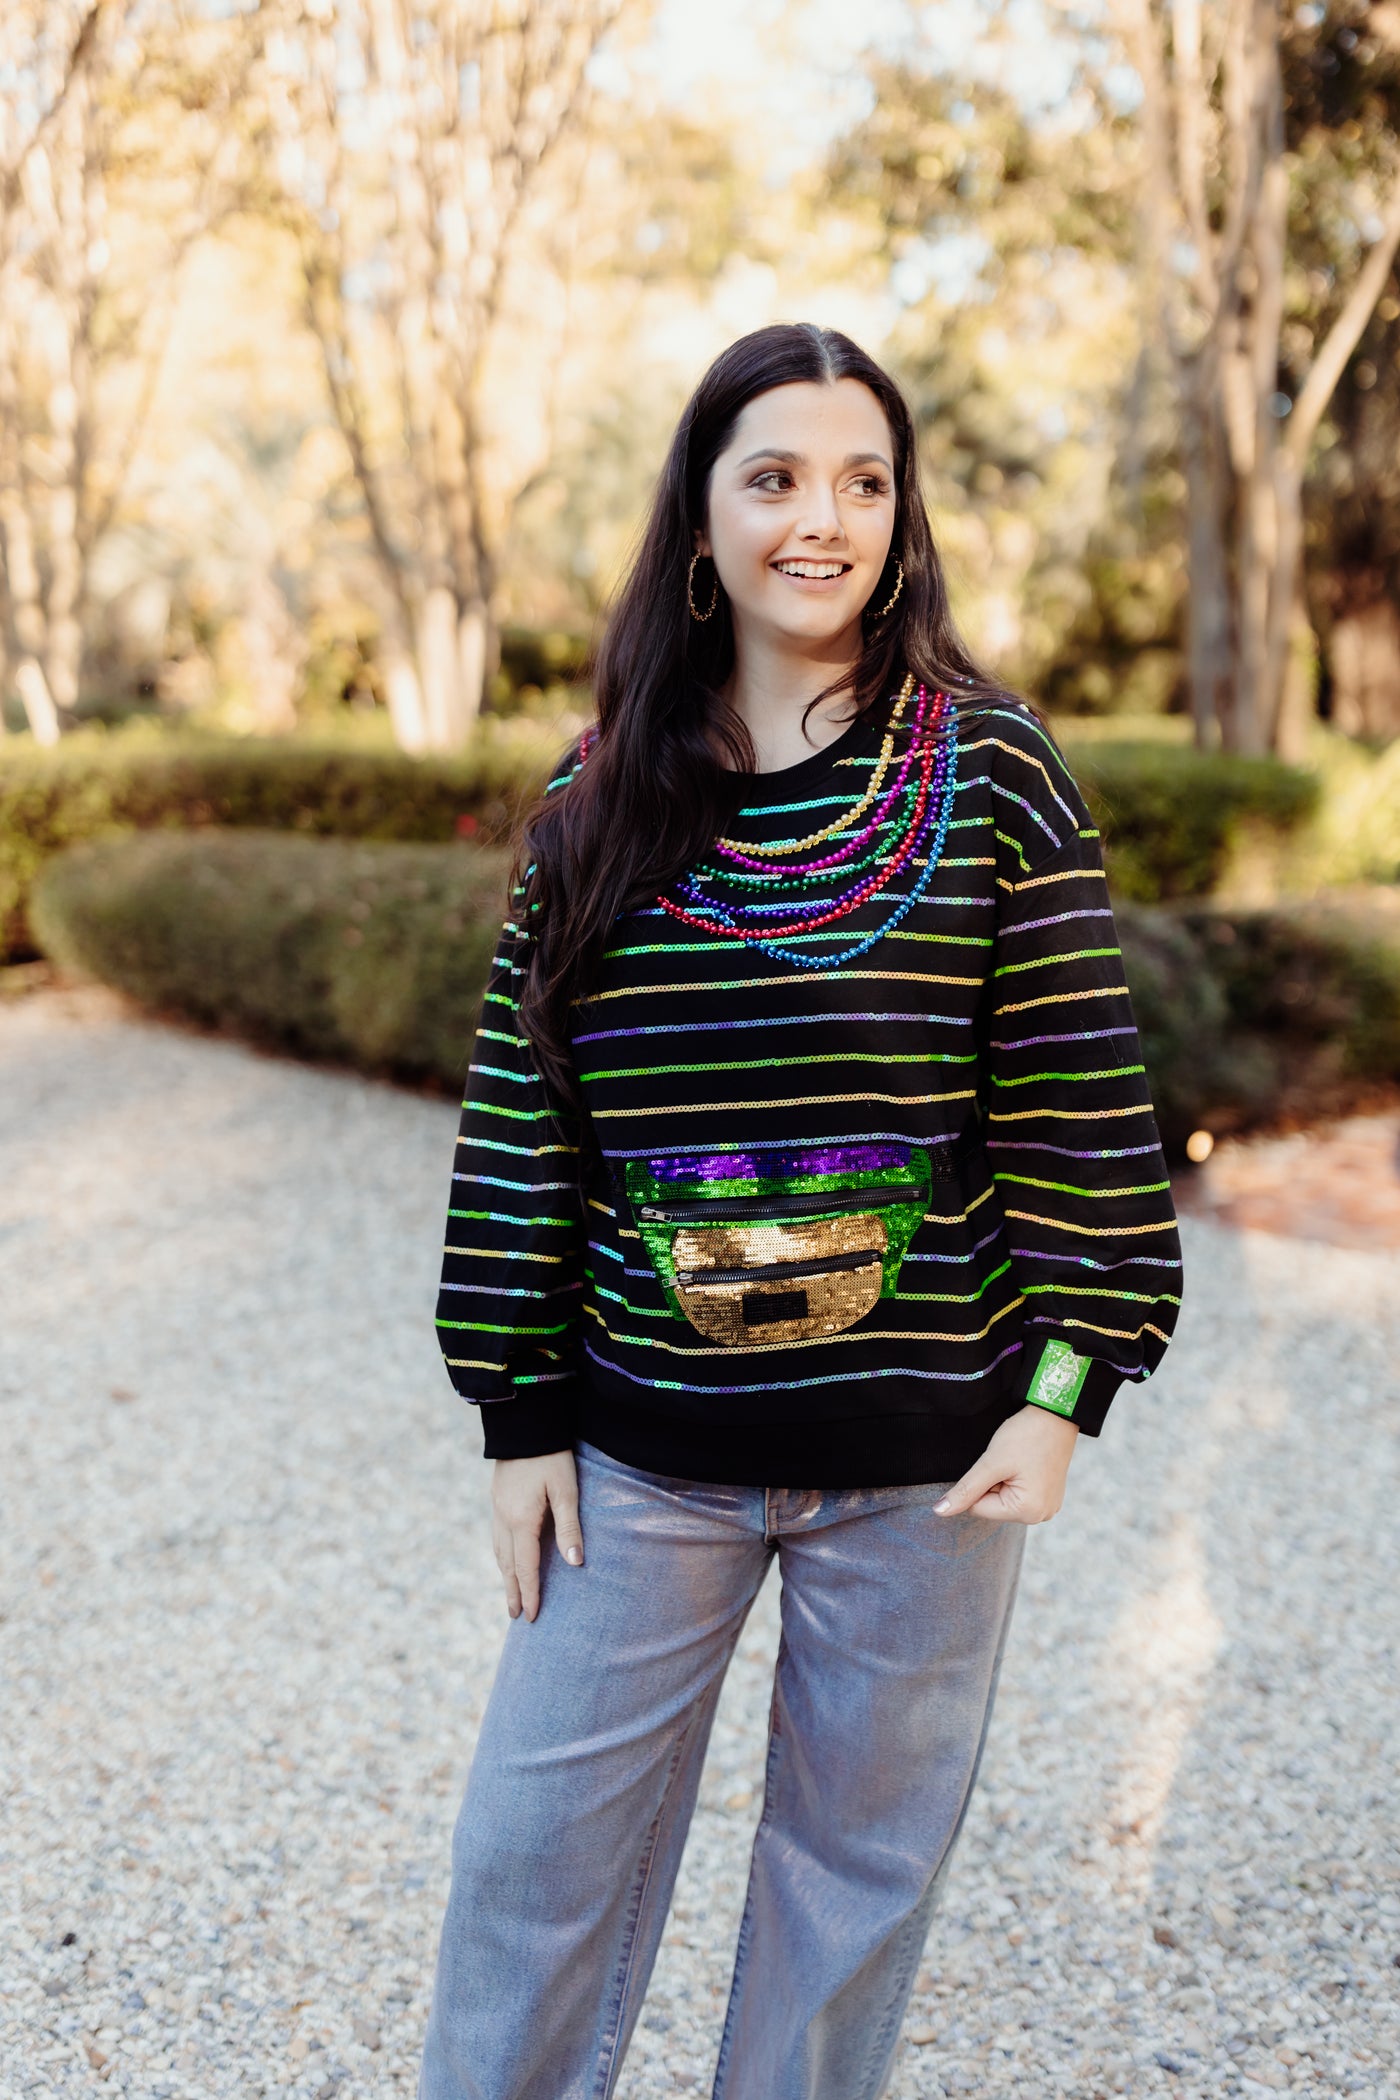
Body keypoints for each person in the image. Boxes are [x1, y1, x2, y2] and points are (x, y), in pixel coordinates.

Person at [417, 322, 1182, 2100]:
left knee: (850, 1890)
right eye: (772, 478)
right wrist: (517, 1414)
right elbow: (530, 1113)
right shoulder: (595, 799)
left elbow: (1078, 1095)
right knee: (527, 1870)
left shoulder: (994, 772)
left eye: (862, 479)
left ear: (903, 517)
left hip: (929, 1475)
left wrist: (1067, 1394)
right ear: (700, 519)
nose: (819, 518)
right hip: (636, 1464)